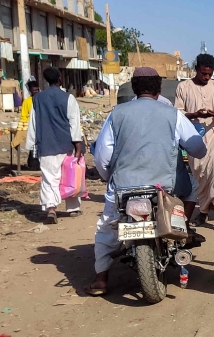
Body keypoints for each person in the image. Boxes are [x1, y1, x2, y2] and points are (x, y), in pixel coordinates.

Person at [86, 67, 207, 296]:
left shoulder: (117, 114)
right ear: (159, 88)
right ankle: (183, 228)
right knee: (191, 187)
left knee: (106, 228)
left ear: (134, 87)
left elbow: (102, 156)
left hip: (123, 186)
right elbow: (198, 149)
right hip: (164, 188)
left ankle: (101, 278)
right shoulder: (173, 114)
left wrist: (109, 178)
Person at [25, 68, 85, 225]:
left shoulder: (37, 99)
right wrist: (78, 144)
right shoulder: (68, 98)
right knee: (70, 175)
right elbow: (74, 123)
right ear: (60, 79)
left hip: (46, 145)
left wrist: (31, 145)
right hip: (66, 144)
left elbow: (33, 123)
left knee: (49, 178)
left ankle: (51, 209)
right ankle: (73, 208)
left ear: (45, 80)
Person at [175, 53, 214, 223]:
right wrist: (194, 114)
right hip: (194, 136)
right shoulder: (183, 87)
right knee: (201, 174)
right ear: (196, 70)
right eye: (203, 73)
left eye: (210, 74)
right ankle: (204, 209)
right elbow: (178, 113)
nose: (206, 77)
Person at [13, 79, 40, 151]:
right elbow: (24, 116)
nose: (36, 92)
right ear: (30, 91)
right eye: (34, 90)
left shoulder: (42, 99)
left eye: (37, 90)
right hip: (31, 126)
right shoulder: (27, 101)